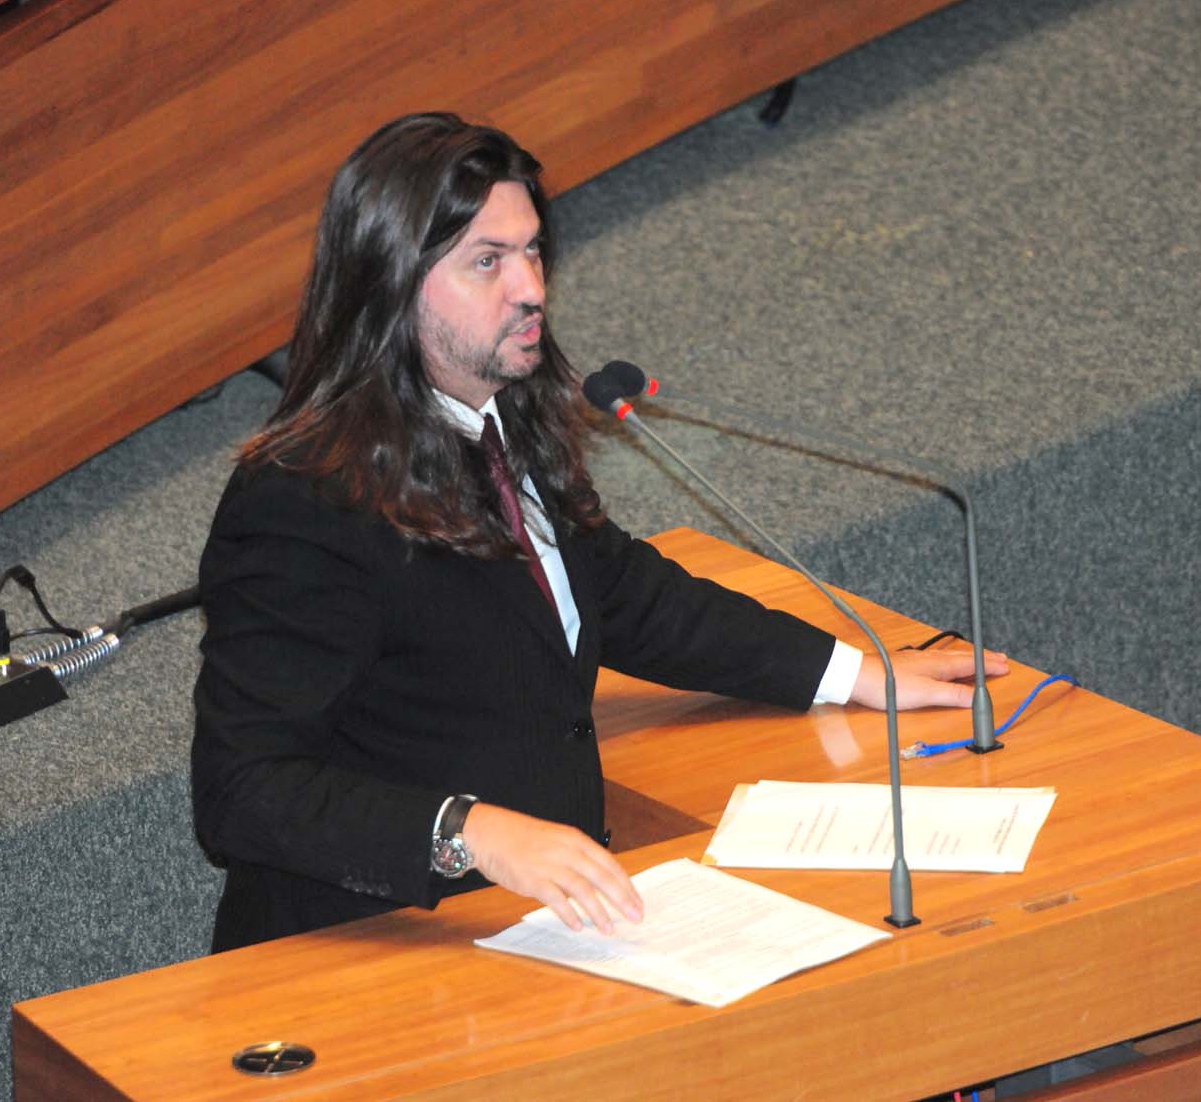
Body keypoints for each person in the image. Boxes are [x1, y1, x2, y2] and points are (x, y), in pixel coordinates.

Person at [190, 112, 1006, 952]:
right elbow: (242, 789)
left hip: (536, 927)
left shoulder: (505, 419)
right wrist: (470, 830)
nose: (530, 288)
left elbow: (623, 596)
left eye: (533, 251)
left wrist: (850, 672)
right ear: (392, 284)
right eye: (487, 261)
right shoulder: (302, 500)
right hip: (369, 949)